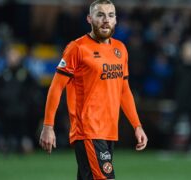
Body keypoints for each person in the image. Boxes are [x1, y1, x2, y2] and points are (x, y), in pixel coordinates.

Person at [39, 0, 148, 179]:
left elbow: (124, 90)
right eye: (100, 15)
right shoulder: (77, 48)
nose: (106, 20)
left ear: (116, 21)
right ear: (89, 19)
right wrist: (48, 126)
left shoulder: (120, 49)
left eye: (110, 15)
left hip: (109, 131)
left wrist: (137, 125)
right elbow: (56, 87)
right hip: (88, 130)